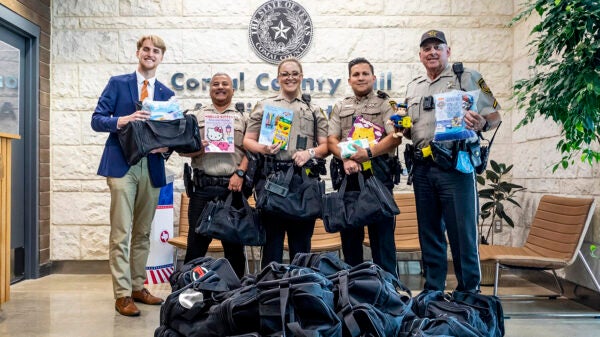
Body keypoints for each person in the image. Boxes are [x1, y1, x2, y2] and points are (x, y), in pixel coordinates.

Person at [404, 30, 502, 292]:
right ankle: (433, 292)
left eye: (438, 47)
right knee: (430, 234)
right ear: (421, 55)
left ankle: (469, 293)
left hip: (456, 167)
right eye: (427, 48)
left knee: (462, 234)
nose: (432, 52)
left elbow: (495, 116)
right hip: (423, 168)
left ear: (448, 51)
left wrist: (481, 122)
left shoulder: (468, 77)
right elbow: (411, 127)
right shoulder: (414, 86)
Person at [91, 35, 173, 316]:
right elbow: (96, 120)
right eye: (146, 49)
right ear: (138, 52)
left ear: (161, 57)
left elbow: (170, 135)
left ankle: (138, 286)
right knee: (121, 231)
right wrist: (121, 121)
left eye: (156, 51)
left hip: (151, 166)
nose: (150, 54)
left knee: (142, 232)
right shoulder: (118, 84)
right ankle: (122, 293)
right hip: (122, 165)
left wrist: (166, 147)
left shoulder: (166, 93)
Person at [243, 57, 329, 268]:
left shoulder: (313, 109)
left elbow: (326, 147)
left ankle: (300, 291)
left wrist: (309, 153)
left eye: (294, 73)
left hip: (303, 181)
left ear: (301, 77)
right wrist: (263, 148)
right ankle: (270, 292)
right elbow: (247, 140)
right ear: (278, 78)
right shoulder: (265, 106)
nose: (290, 77)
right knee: (272, 243)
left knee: (301, 244)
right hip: (272, 179)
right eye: (285, 74)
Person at [327, 57, 402, 277]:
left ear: (373, 77)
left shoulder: (386, 105)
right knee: (350, 236)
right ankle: (351, 287)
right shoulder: (341, 106)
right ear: (349, 80)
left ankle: (388, 288)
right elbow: (332, 139)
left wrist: (367, 154)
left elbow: (395, 137)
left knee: (382, 237)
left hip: (378, 172)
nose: (360, 78)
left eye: (365, 74)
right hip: (347, 173)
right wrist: (347, 157)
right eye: (356, 74)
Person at [180, 73, 248, 278]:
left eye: (225, 84)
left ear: (232, 90)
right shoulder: (196, 116)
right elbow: (182, 150)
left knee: (234, 246)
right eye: (215, 84)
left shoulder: (243, 118)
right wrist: (197, 149)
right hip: (202, 189)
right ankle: (187, 291)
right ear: (210, 90)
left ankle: (235, 294)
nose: (220, 87)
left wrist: (240, 173)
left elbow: (251, 152)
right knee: (196, 245)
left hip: (232, 188)